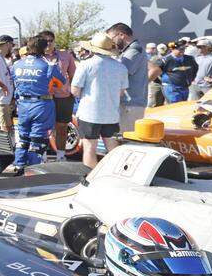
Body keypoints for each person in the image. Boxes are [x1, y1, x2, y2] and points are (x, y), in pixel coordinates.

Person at [71, 34, 128, 168]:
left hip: (89, 113)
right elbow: (121, 92)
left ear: (92, 48)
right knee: (113, 147)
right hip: (111, 114)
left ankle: (90, 176)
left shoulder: (86, 65)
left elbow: (75, 90)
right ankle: (114, 173)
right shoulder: (121, 67)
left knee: (89, 148)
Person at [10, 36, 65, 172]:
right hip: (42, 105)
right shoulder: (48, 65)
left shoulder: (16, 65)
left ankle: (19, 165)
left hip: (22, 105)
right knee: (38, 140)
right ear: (44, 48)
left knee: (23, 136)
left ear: (28, 47)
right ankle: (33, 170)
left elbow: (12, 81)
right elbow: (61, 82)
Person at [40, 29, 76, 160]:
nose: (48, 44)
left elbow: (73, 76)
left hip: (63, 98)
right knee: (44, 128)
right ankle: (42, 155)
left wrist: (71, 92)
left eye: (51, 41)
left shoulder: (65, 55)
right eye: (45, 41)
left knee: (62, 128)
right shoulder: (36, 58)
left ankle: (61, 155)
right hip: (43, 98)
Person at [106, 22, 148, 133]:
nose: (111, 42)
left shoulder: (134, 50)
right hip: (128, 103)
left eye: (112, 39)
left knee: (126, 139)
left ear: (121, 35)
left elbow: (120, 72)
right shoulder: (130, 50)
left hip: (131, 104)